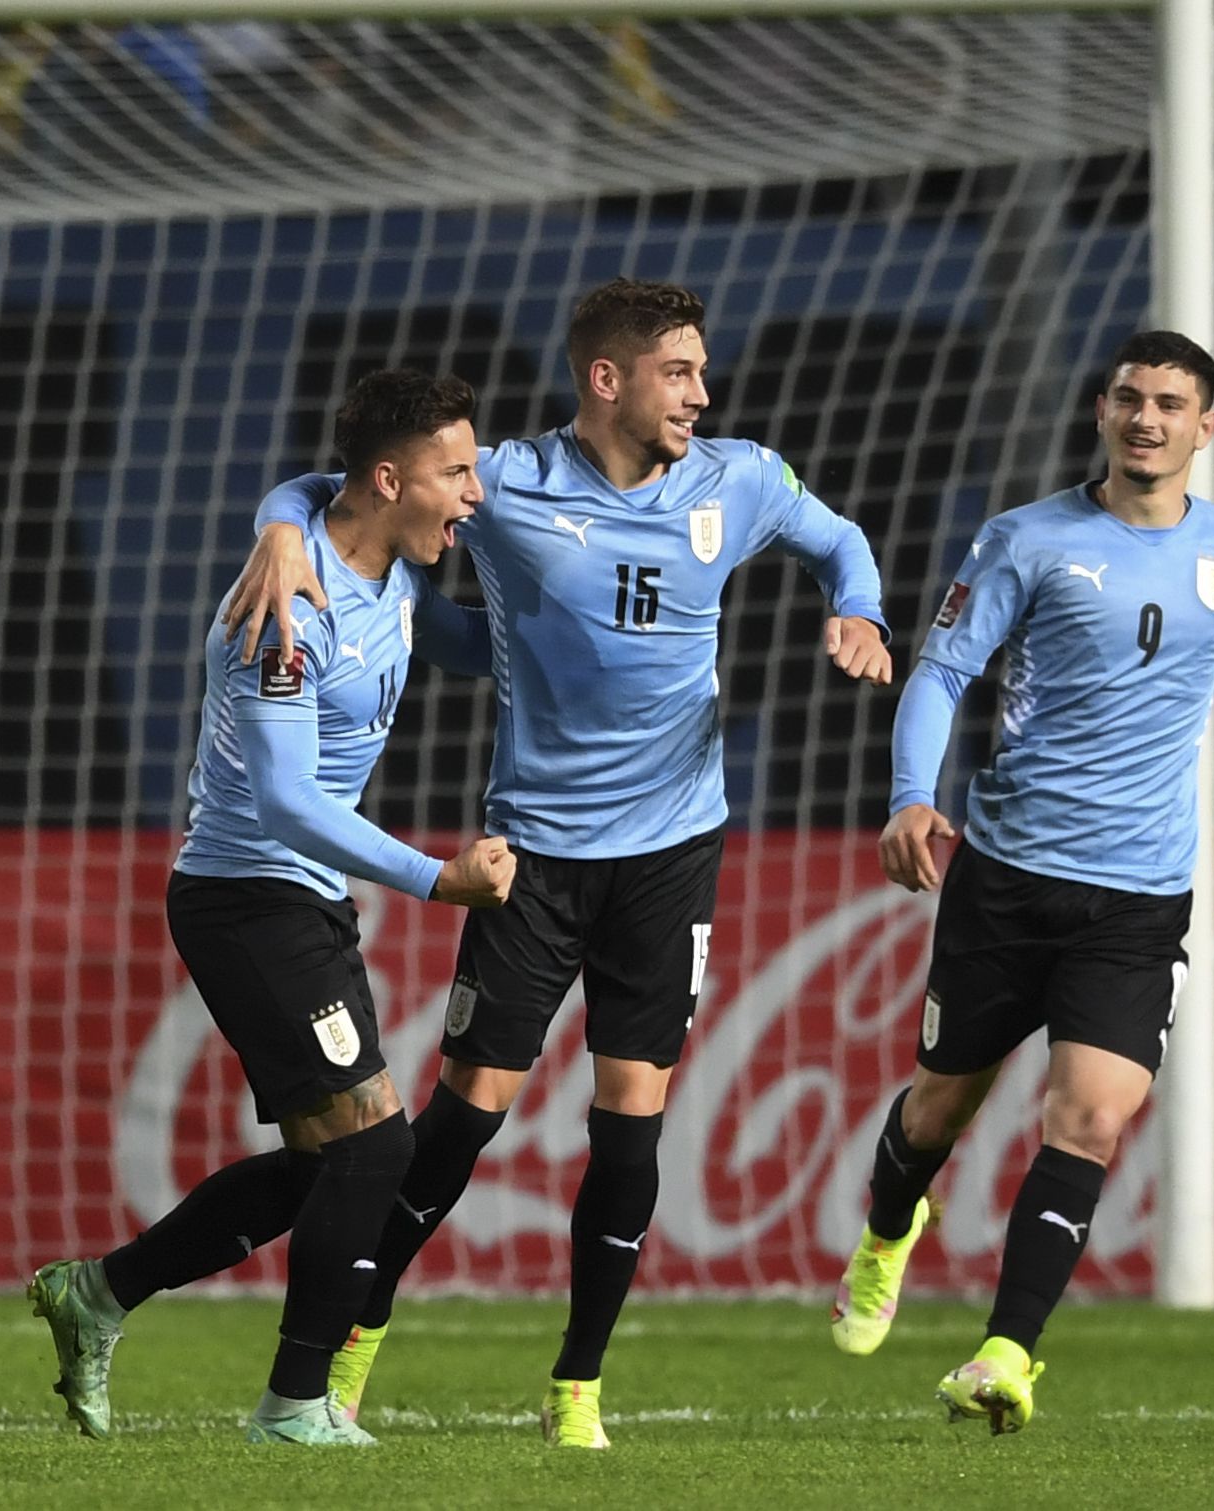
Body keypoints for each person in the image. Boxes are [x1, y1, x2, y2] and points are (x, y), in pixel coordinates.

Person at [226, 278, 890, 1448]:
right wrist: (283, 525)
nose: (699, 391)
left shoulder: (734, 479)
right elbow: (352, 489)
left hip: (673, 849)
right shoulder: (513, 485)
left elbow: (837, 539)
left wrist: (862, 609)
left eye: (697, 371)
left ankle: (577, 1382)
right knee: (465, 1116)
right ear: (607, 379)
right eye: (676, 372)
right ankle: (355, 1340)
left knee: (631, 1126)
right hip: (530, 854)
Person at [832, 331, 1214, 1435]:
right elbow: (943, 668)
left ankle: (1004, 1354)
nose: (1147, 419)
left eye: (1171, 403)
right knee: (942, 1101)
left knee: (1089, 1118)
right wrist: (913, 794)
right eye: (1130, 398)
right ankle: (889, 1226)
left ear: (1208, 426)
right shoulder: (1028, 538)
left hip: (1138, 898)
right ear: (1100, 410)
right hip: (1006, 877)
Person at [27, 369, 517, 1447]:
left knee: (324, 1161)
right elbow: (291, 803)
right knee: (374, 1150)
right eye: (456, 472)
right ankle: (295, 1403)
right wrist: (441, 877)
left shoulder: (383, 570)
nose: (474, 493)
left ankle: (99, 1293)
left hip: (295, 903)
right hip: (248, 896)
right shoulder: (283, 610)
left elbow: (478, 644)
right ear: (392, 480)